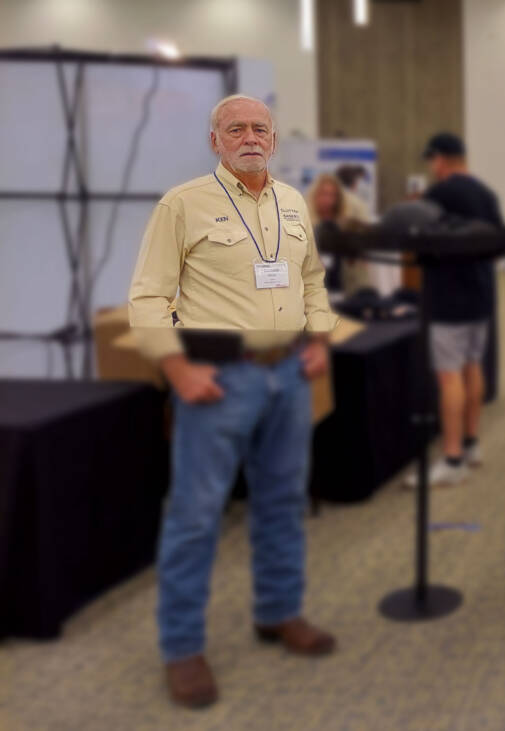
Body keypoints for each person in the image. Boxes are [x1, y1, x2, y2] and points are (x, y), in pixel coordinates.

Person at [129, 94, 338, 709]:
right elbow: (148, 297)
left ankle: (278, 612)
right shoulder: (183, 204)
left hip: (289, 376)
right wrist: (175, 368)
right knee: (196, 517)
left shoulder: (293, 202)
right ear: (215, 139)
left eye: (260, 128)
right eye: (235, 128)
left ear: (274, 141)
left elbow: (311, 279)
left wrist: (319, 341)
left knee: (281, 502)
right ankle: (182, 647)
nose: (249, 136)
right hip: (218, 380)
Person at [414, 131, 503, 486]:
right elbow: (499, 244)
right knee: (472, 367)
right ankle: (471, 443)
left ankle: (452, 460)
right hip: (481, 294)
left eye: (432, 160)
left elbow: (420, 244)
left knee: (449, 376)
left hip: (448, 298)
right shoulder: (487, 194)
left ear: (441, 158)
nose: (432, 168)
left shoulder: (438, 195)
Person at [306, 173, 371, 293]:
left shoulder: (345, 225)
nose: (328, 200)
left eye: (332, 195)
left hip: (344, 285)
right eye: (324, 194)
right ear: (315, 195)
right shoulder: (305, 223)